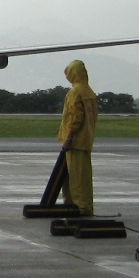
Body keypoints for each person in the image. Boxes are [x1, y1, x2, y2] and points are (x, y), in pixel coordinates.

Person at [58, 61, 98, 216]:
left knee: (76, 179)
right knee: (84, 177)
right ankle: (83, 205)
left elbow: (76, 118)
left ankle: (80, 207)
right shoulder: (89, 91)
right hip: (86, 139)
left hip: (76, 141)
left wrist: (68, 138)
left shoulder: (75, 92)